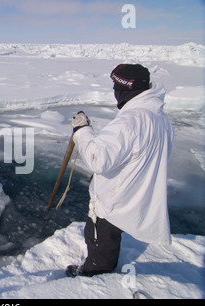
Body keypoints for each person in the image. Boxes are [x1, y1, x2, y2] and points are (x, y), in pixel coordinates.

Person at [66, 64, 174, 277]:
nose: (115, 91)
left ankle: (94, 275)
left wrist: (82, 130)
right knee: (111, 234)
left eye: (116, 86)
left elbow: (98, 159)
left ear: (126, 88)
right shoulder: (160, 117)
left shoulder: (130, 120)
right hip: (136, 192)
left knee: (100, 237)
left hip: (115, 199)